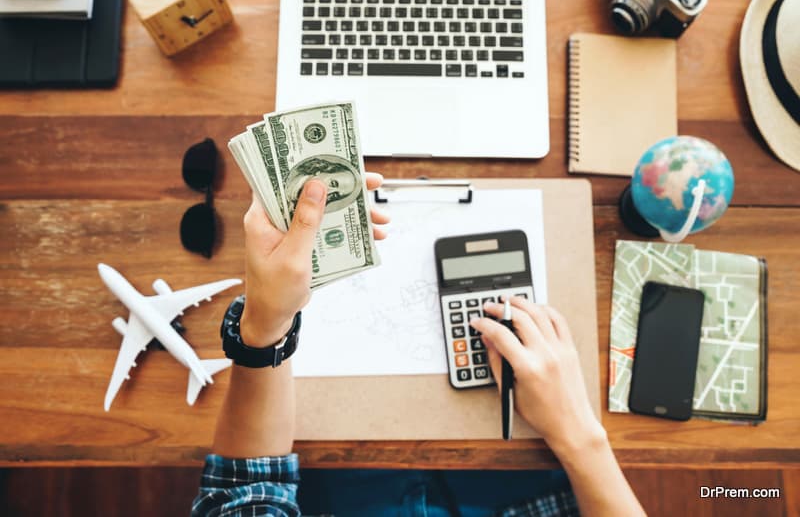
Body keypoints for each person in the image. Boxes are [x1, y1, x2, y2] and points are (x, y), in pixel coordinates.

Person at [192, 174, 646, 517]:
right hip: (528, 483)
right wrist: (580, 436)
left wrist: (266, 325)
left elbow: (243, 494)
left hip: (344, 483)